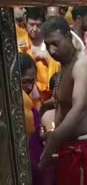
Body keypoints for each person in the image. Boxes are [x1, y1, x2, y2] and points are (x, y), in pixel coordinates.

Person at [39, 16, 87, 185]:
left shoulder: (82, 66)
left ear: (68, 36)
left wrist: (55, 138)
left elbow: (79, 107)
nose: (51, 50)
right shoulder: (66, 63)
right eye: (47, 45)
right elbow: (67, 98)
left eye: (55, 43)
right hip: (69, 146)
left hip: (81, 151)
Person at [18, 7, 60, 104]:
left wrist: (49, 58)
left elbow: (61, 69)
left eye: (38, 25)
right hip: (26, 99)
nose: (34, 29)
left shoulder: (51, 43)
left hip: (48, 98)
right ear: (26, 22)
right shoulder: (19, 42)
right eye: (31, 25)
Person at [19, 53, 44, 185]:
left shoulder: (28, 103)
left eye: (32, 81)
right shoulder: (15, 105)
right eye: (25, 82)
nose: (29, 87)